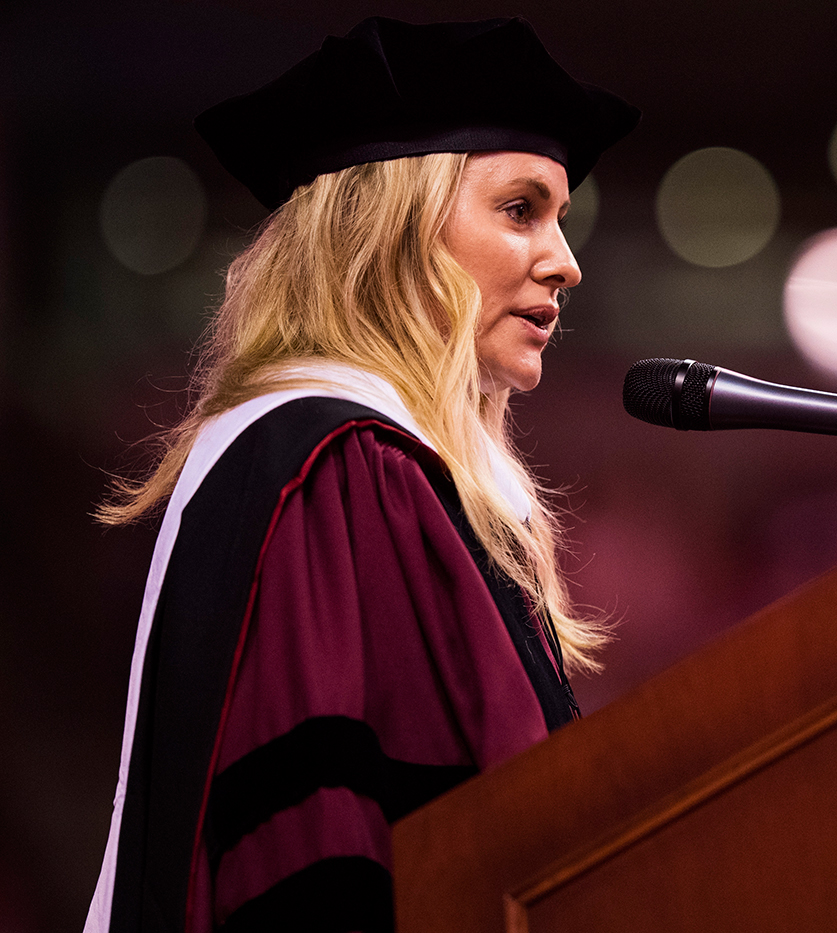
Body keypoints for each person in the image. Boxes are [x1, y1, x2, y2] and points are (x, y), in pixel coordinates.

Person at [84, 17, 639, 933]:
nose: (566, 262)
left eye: (560, 218)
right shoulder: (342, 472)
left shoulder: (317, 461)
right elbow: (315, 866)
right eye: (519, 208)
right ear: (391, 229)